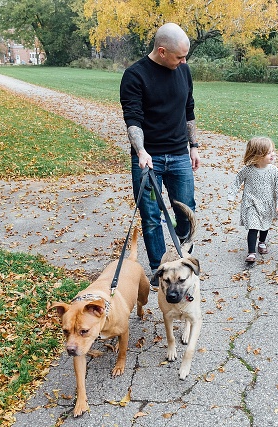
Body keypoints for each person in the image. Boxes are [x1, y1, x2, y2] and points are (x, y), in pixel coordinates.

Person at [119, 23, 200, 288]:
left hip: (178, 156)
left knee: (186, 212)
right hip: (148, 160)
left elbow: (189, 109)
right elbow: (133, 120)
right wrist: (141, 151)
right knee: (151, 216)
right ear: (162, 51)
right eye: (179, 56)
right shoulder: (135, 76)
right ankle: (159, 271)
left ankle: (180, 257)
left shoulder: (184, 71)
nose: (184, 61)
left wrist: (194, 146)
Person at [227, 137, 278, 263]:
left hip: (267, 204)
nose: (273, 154)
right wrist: (232, 194)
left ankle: (262, 242)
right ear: (258, 155)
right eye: (269, 152)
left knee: (264, 225)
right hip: (251, 204)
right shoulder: (248, 170)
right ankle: (251, 252)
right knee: (253, 227)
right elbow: (237, 180)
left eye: (273, 151)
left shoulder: (274, 171)